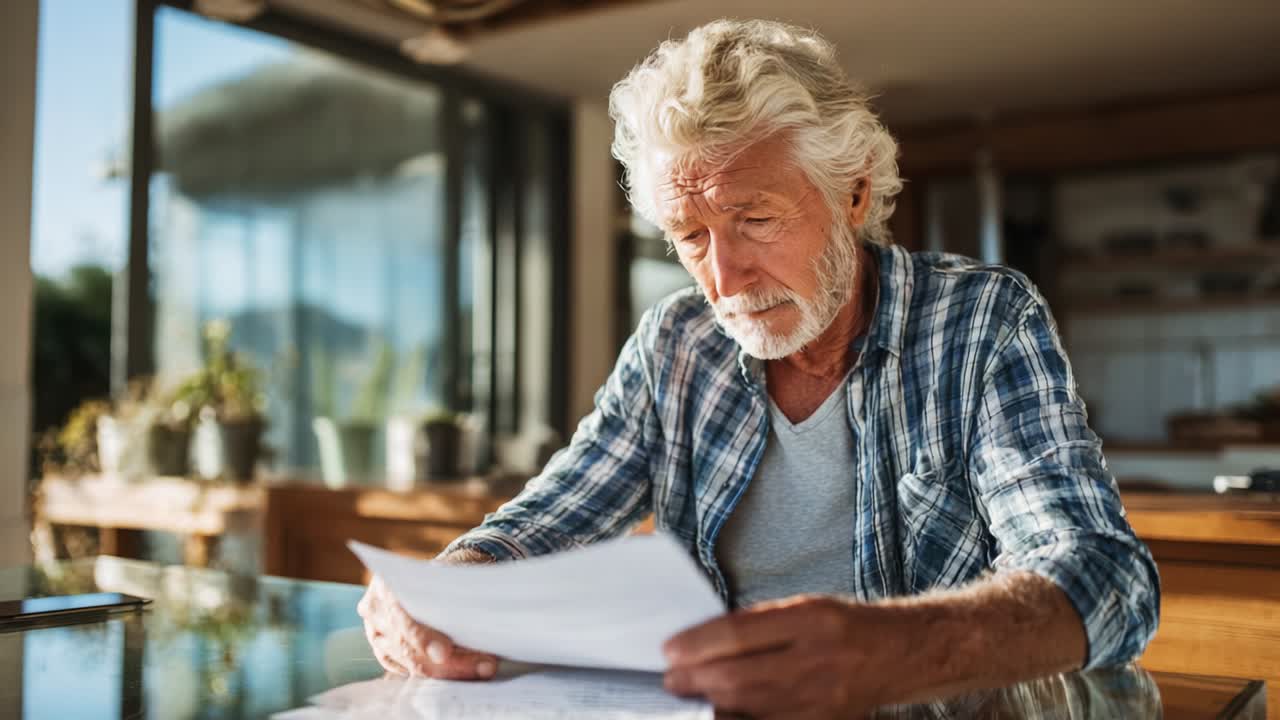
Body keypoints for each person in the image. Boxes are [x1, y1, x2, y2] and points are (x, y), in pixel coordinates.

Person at [358, 18, 1160, 717]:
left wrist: (894, 653)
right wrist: (442, 589)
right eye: (690, 237)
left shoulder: (980, 321)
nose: (724, 279)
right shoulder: (676, 343)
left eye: (757, 219)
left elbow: (1107, 577)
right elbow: (554, 512)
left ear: (853, 193)